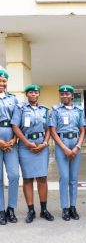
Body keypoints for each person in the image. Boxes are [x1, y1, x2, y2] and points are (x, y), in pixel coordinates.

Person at [11, 84, 54, 223]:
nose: (33, 94)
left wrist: (45, 143)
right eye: (31, 92)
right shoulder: (20, 108)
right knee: (28, 178)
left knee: (42, 178)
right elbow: (15, 126)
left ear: (39, 94)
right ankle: (31, 210)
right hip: (25, 146)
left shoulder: (44, 110)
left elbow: (48, 129)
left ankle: (44, 210)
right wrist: (26, 142)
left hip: (42, 145)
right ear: (26, 94)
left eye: (36, 92)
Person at [49, 85, 85, 221]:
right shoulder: (55, 110)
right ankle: (64, 207)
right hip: (61, 143)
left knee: (74, 178)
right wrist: (64, 147)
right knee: (64, 177)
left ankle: (73, 207)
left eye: (67, 94)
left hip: (75, 142)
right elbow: (52, 130)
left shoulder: (79, 110)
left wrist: (78, 147)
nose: (64, 96)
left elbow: (83, 130)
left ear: (72, 96)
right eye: (62, 94)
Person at [0, 68, 19, 225]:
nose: (2, 83)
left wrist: (14, 139)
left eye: (4, 80)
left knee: (14, 175)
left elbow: (16, 121)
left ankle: (11, 209)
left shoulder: (13, 99)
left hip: (11, 140)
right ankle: (0, 210)